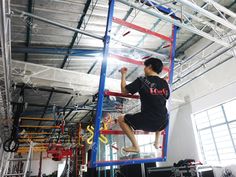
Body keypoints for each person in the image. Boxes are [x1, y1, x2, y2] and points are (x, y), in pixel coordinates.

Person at [117, 58, 170, 153]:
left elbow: (124, 90)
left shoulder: (142, 80)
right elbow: (165, 97)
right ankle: (157, 142)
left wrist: (123, 75)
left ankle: (135, 146)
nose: (144, 69)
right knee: (160, 109)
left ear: (149, 67)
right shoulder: (164, 83)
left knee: (121, 119)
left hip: (150, 121)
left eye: (145, 67)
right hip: (164, 122)